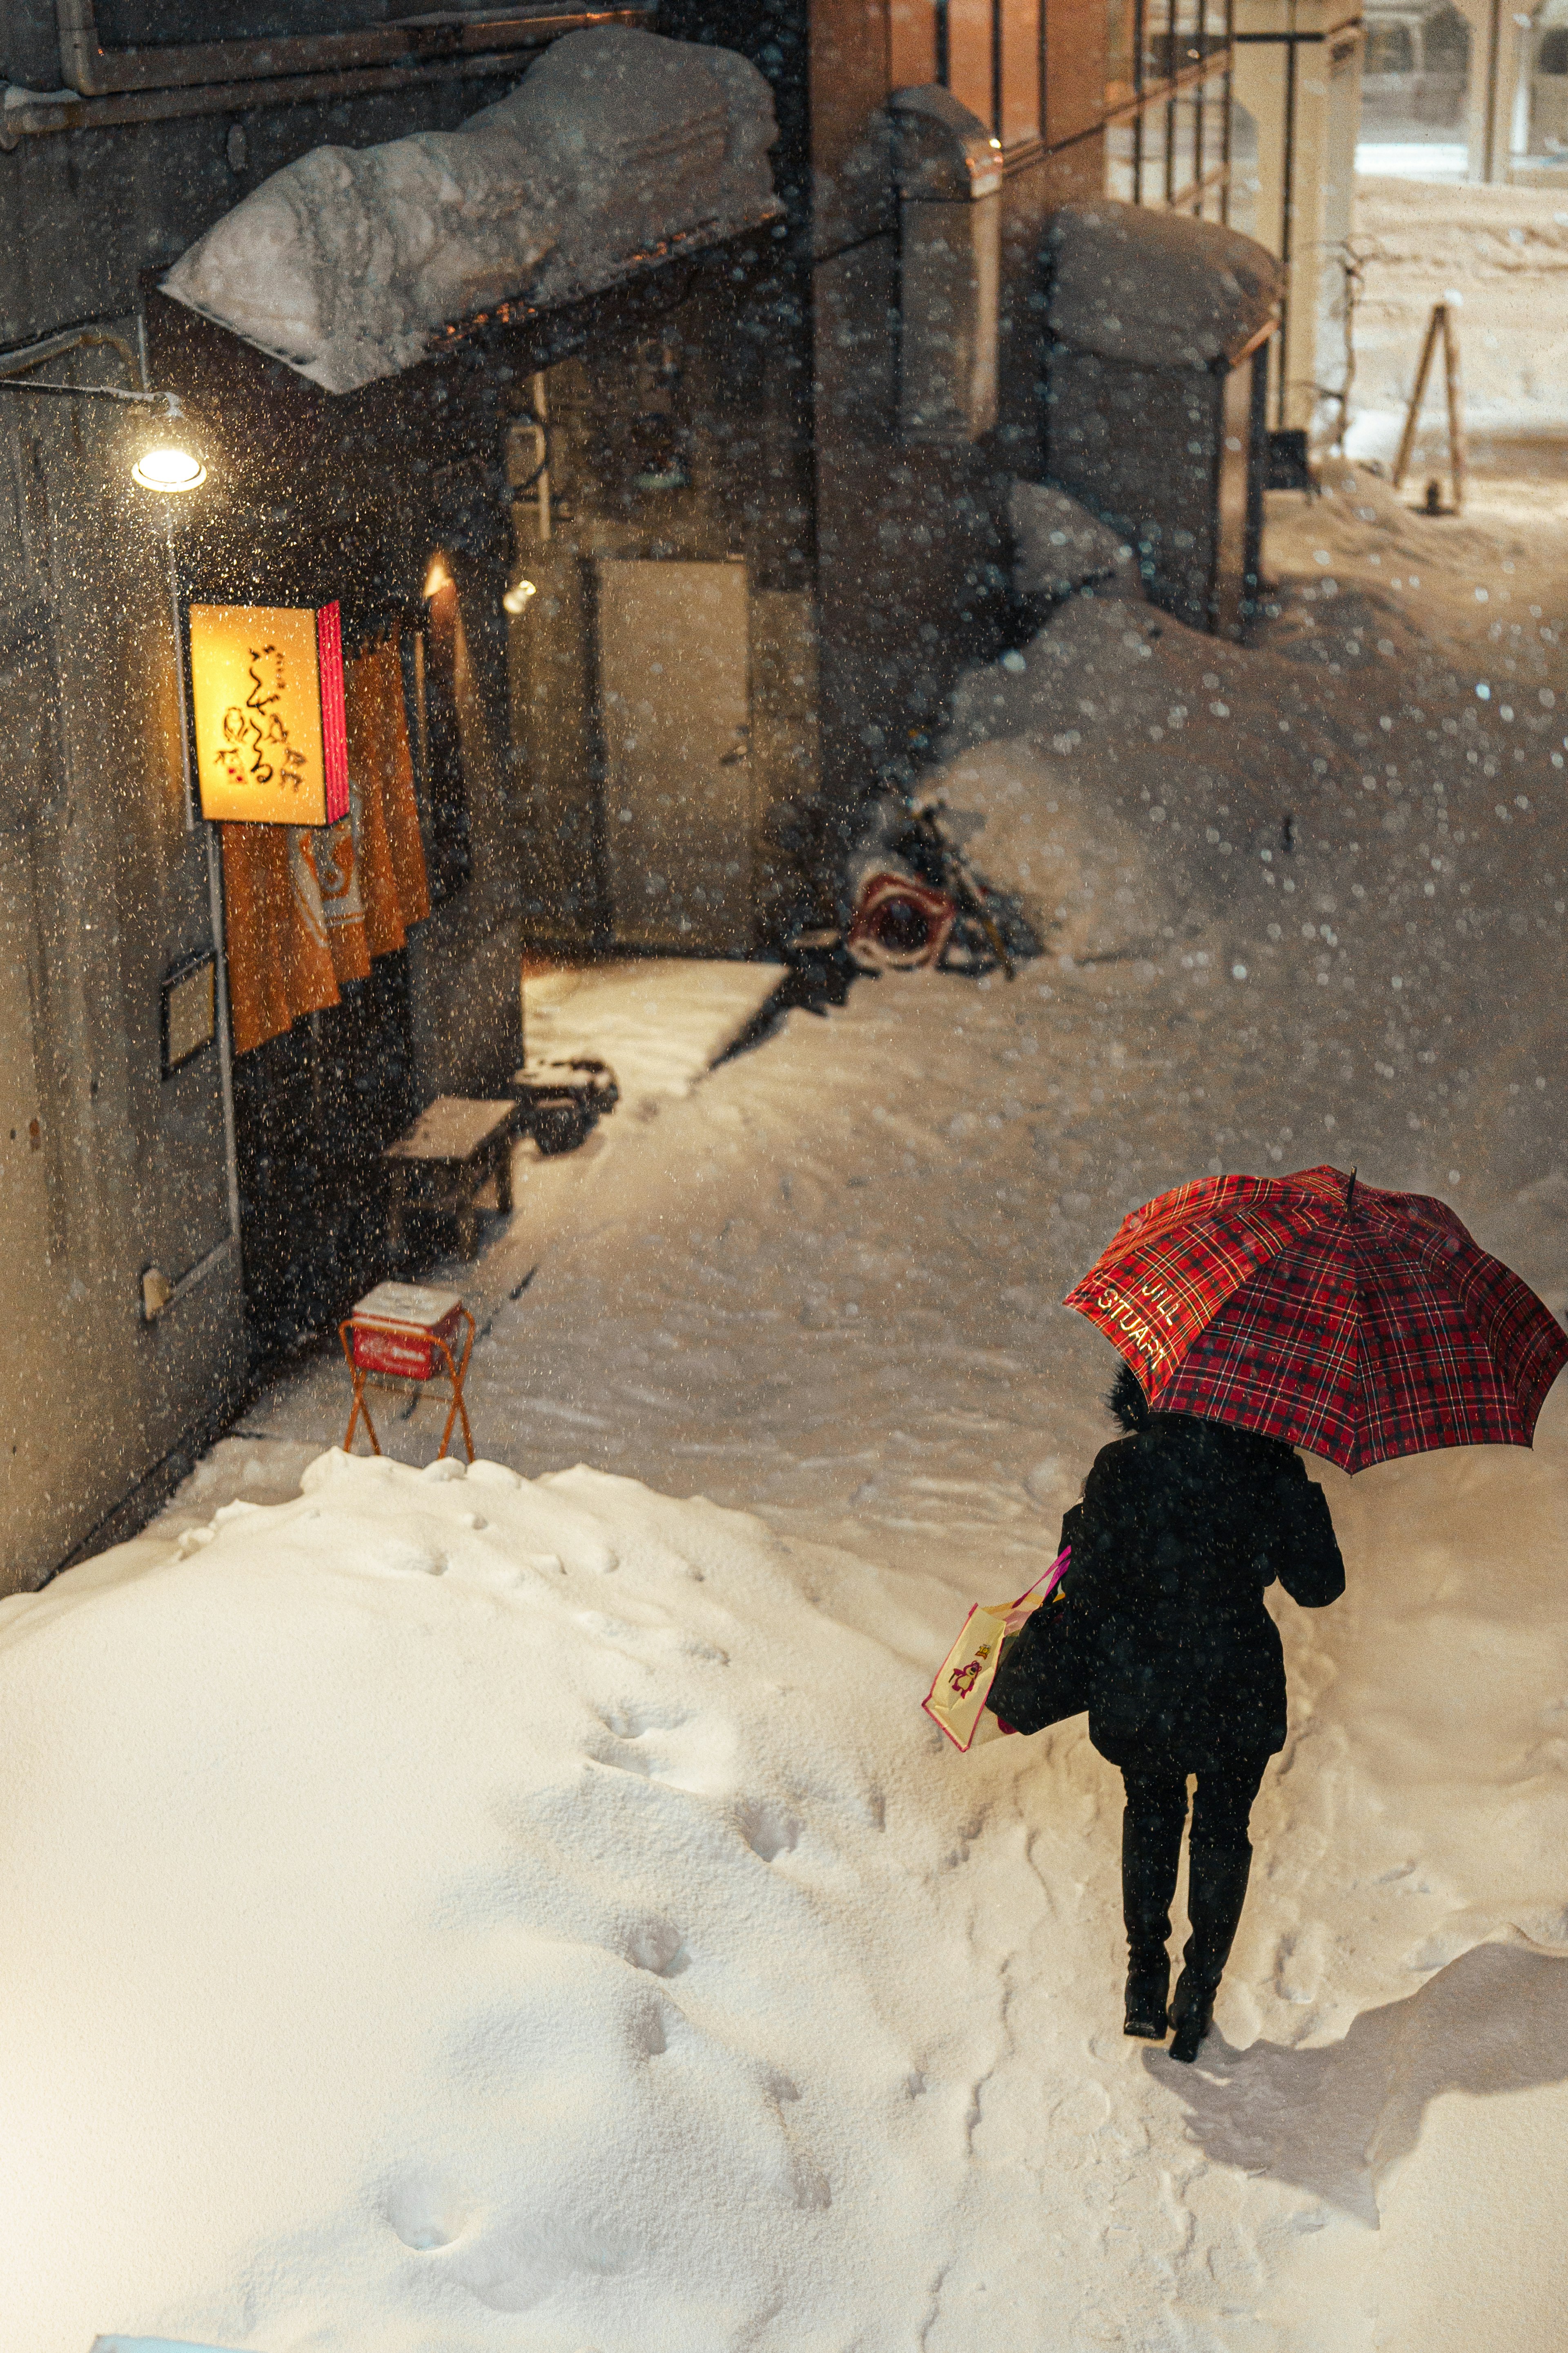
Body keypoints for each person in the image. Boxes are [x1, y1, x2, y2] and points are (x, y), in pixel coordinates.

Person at [988, 1362, 1345, 2063]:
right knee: (1223, 1829)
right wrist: (1294, 1493)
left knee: (1150, 1809)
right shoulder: (1268, 1467)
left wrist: (1029, 1677)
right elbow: (1319, 1584)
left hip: (1143, 1680)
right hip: (1233, 1685)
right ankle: (1199, 1991)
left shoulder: (1124, 1464)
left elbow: (1086, 1589)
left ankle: (1144, 1979)